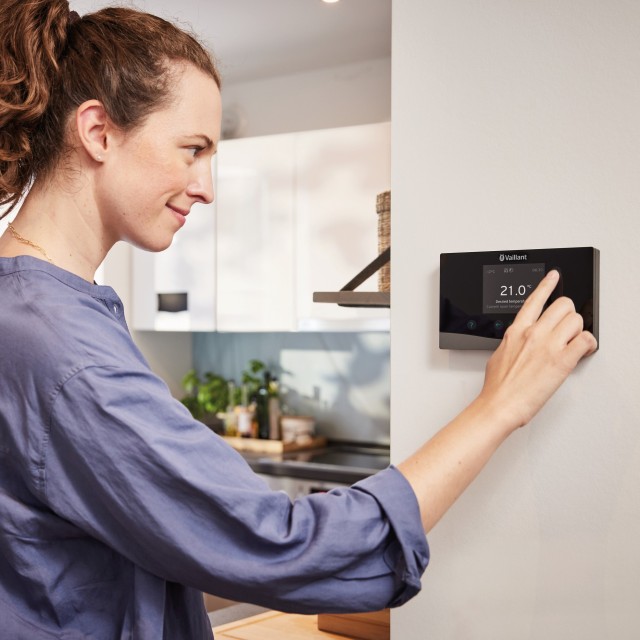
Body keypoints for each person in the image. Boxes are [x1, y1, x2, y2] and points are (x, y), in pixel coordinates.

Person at [0, 1, 598, 639]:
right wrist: (499, 406)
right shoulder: (66, 354)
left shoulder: (32, 312)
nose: (207, 186)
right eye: (192, 149)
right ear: (98, 133)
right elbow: (286, 546)